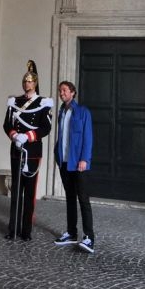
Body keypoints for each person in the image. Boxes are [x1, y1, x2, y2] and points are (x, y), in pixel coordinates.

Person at [3, 60, 53, 241]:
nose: (27, 84)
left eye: (30, 81)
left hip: (32, 151)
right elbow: (7, 124)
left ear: (35, 83)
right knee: (16, 191)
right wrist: (15, 135)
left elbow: (46, 128)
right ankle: (12, 228)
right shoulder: (14, 101)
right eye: (25, 81)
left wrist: (28, 136)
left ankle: (26, 231)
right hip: (16, 150)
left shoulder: (43, 102)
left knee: (30, 193)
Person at [53, 81, 95, 253]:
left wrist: (84, 158)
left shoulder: (83, 112)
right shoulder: (61, 112)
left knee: (83, 199)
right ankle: (71, 233)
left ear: (73, 92)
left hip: (79, 163)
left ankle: (89, 237)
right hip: (64, 162)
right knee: (70, 198)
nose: (61, 93)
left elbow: (88, 137)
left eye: (64, 90)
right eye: (60, 91)